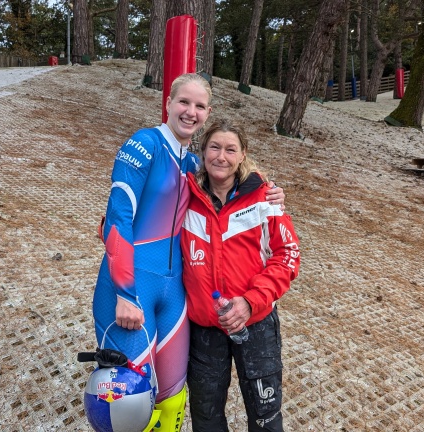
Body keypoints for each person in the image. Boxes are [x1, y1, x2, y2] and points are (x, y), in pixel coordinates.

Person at [92, 73, 284, 432]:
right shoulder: (144, 143)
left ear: (207, 112)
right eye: (184, 102)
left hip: (174, 296)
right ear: (168, 102)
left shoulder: (194, 166)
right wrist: (124, 292)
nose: (190, 112)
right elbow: (119, 217)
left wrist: (271, 192)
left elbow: (236, 180)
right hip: (132, 291)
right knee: (125, 403)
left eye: (199, 106)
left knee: (172, 397)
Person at [180, 119, 301, 432]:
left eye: (230, 149)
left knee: (265, 418)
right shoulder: (184, 198)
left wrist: (250, 302)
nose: (222, 156)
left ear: (242, 154)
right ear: (203, 152)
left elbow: (287, 255)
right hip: (205, 328)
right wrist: (112, 228)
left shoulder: (265, 199)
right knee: (206, 419)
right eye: (215, 147)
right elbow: (146, 223)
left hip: (256, 323)